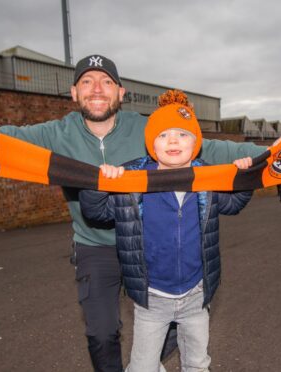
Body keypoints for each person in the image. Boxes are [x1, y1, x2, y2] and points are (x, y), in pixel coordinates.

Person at [0, 55, 281, 372]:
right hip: (95, 244)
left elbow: (214, 152)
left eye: (106, 81)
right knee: (101, 333)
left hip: (152, 245)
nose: (97, 88)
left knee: (169, 323)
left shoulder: (148, 129)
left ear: (120, 93)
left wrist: (272, 155)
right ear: (74, 93)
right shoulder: (53, 134)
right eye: (86, 82)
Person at [79, 90, 252, 371]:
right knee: (142, 368)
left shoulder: (207, 179)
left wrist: (243, 178)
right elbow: (96, 211)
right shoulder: (133, 181)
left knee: (197, 363)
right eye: (163, 135)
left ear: (195, 143)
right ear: (151, 145)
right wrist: (99, 183)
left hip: (196, 294)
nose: (173, 140)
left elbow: (233, 204)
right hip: (152, 297)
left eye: (182, 134)